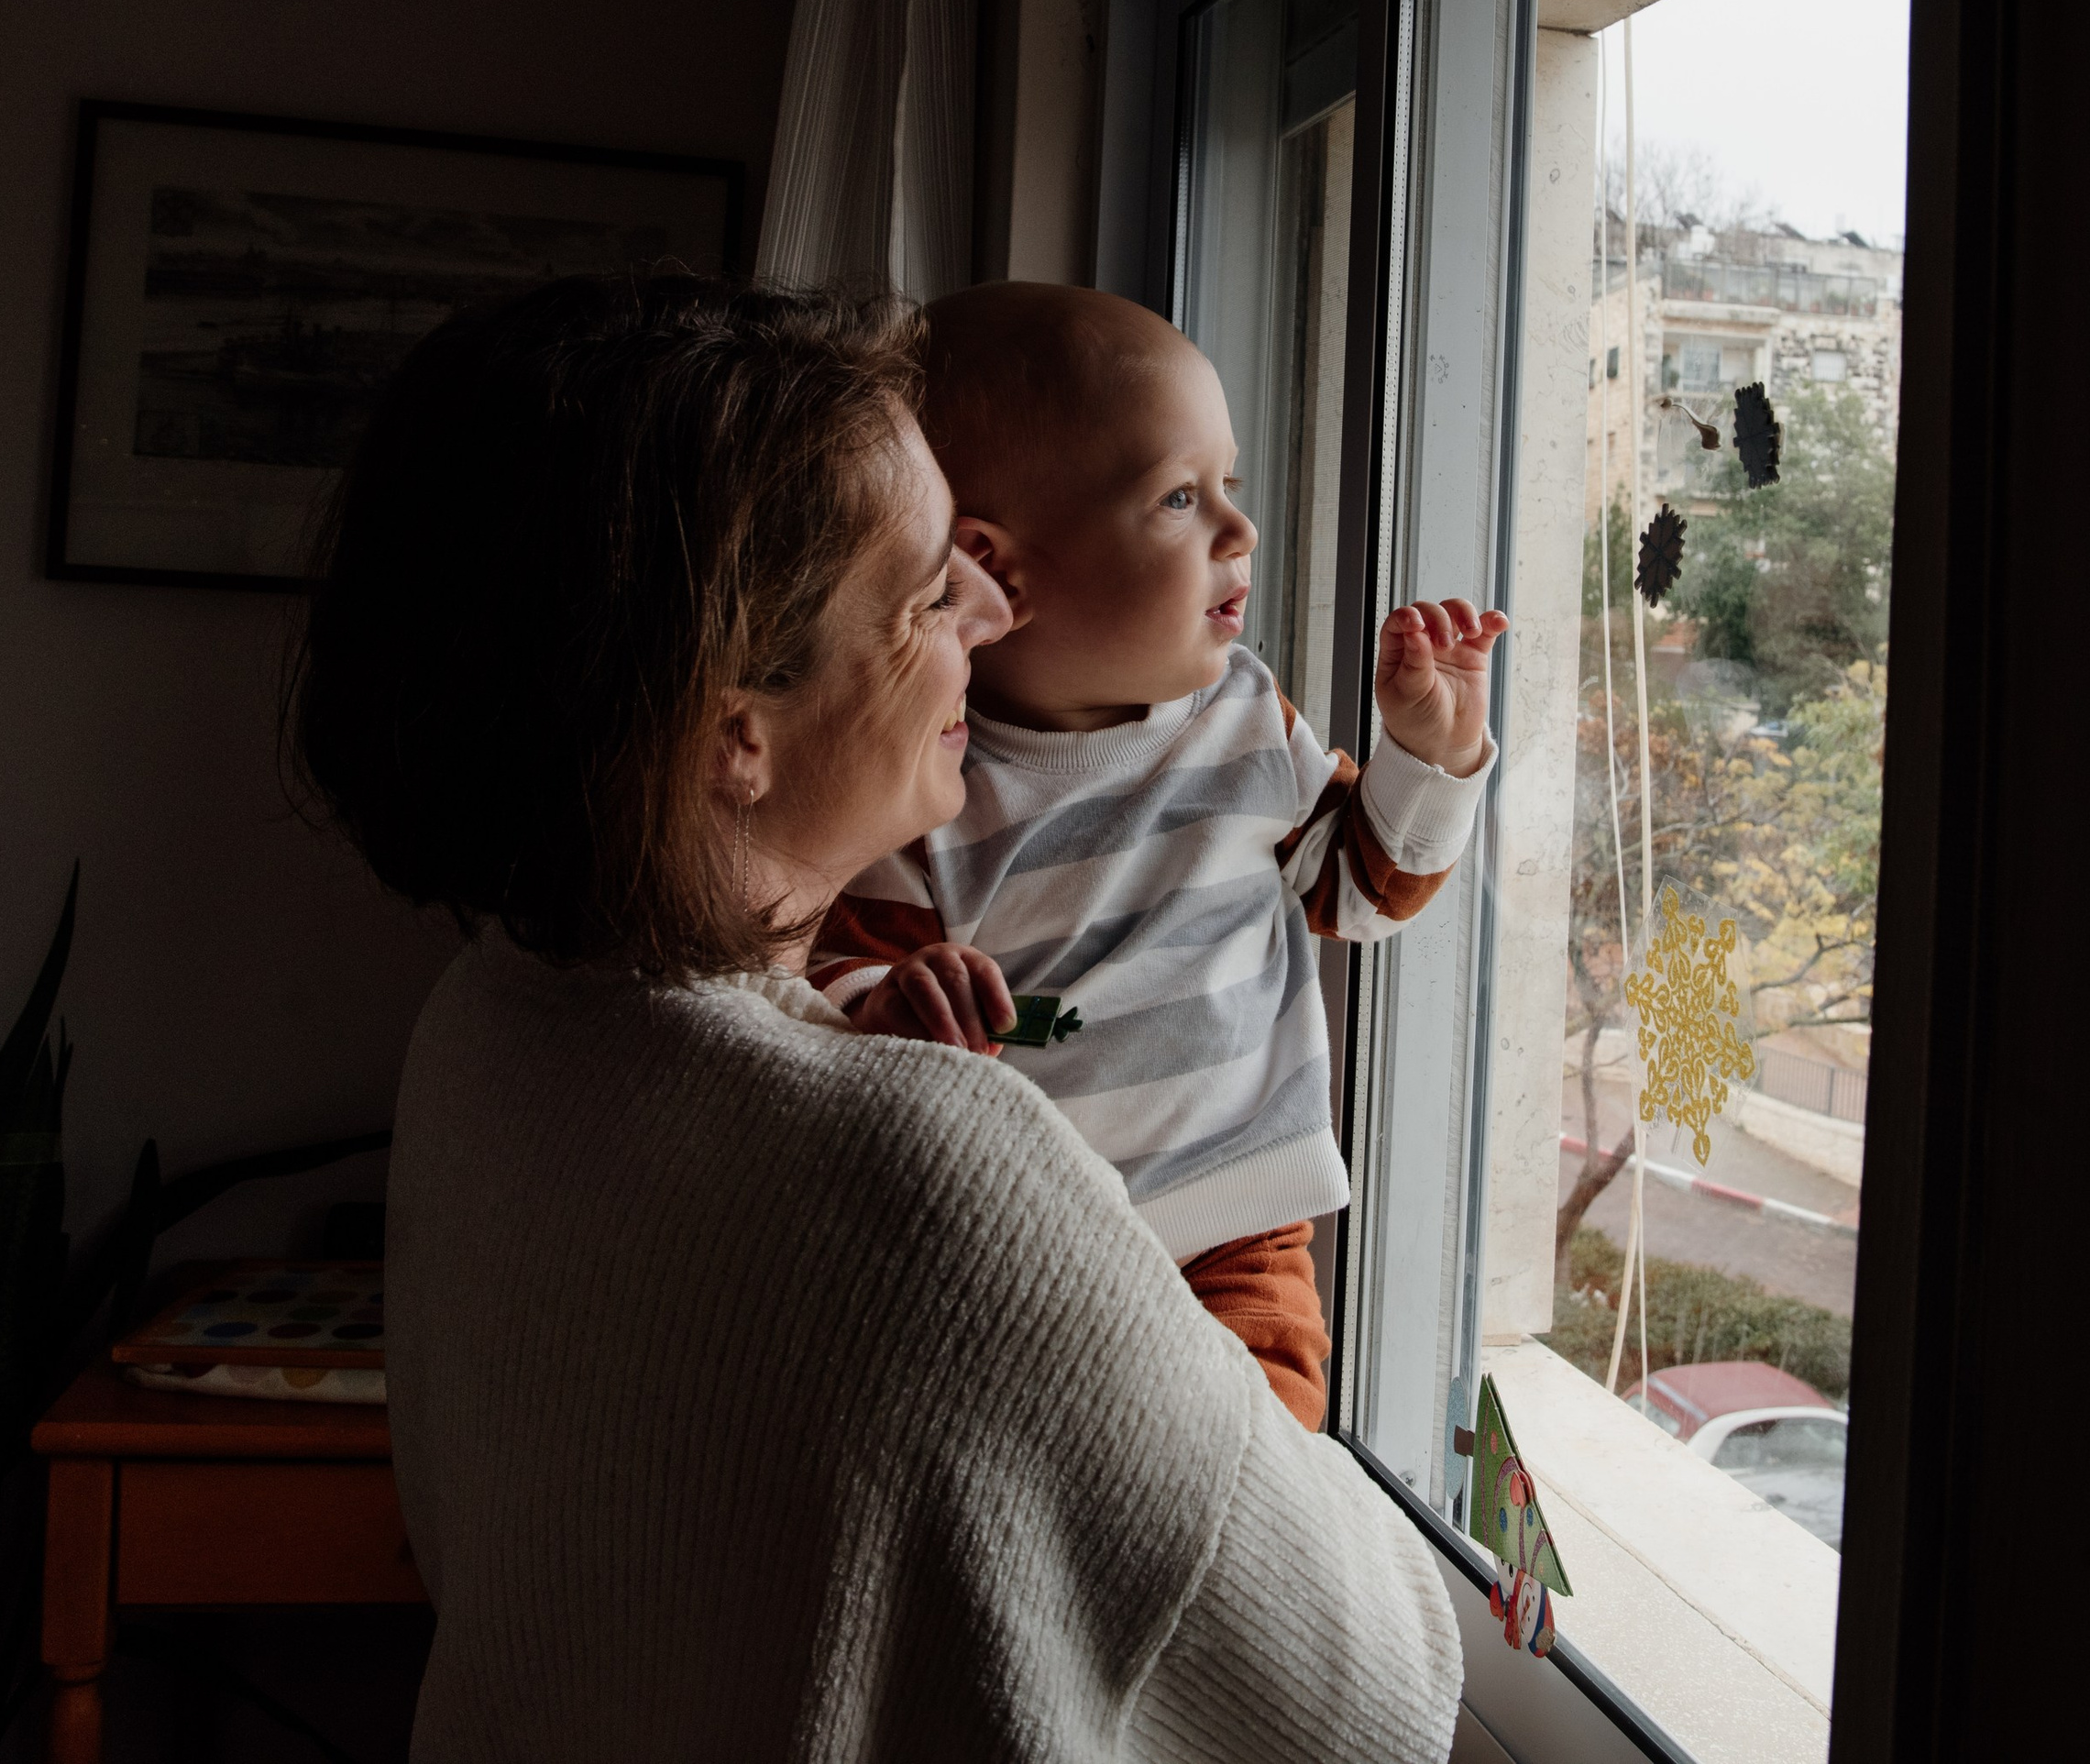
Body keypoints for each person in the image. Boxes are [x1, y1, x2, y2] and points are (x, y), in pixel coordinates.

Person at [292, 273, 1462, 1764]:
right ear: (739, 731)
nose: (990, 613)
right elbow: (1372, 1702)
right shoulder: (922, 1168)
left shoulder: (492, 1026)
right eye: (925, 595)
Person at [808, 283, 1504, 1432]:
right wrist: (890, 1000)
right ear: (997, 569)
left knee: (1263, 1468)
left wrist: (1430, 755)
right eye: (1181, 498)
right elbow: (833, 984)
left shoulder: (1243, 714)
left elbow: (1359, 891)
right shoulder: (928, 774)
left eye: (1230, 485)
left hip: (1239, 1227)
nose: (1240, 531)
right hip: (1025, 1248)